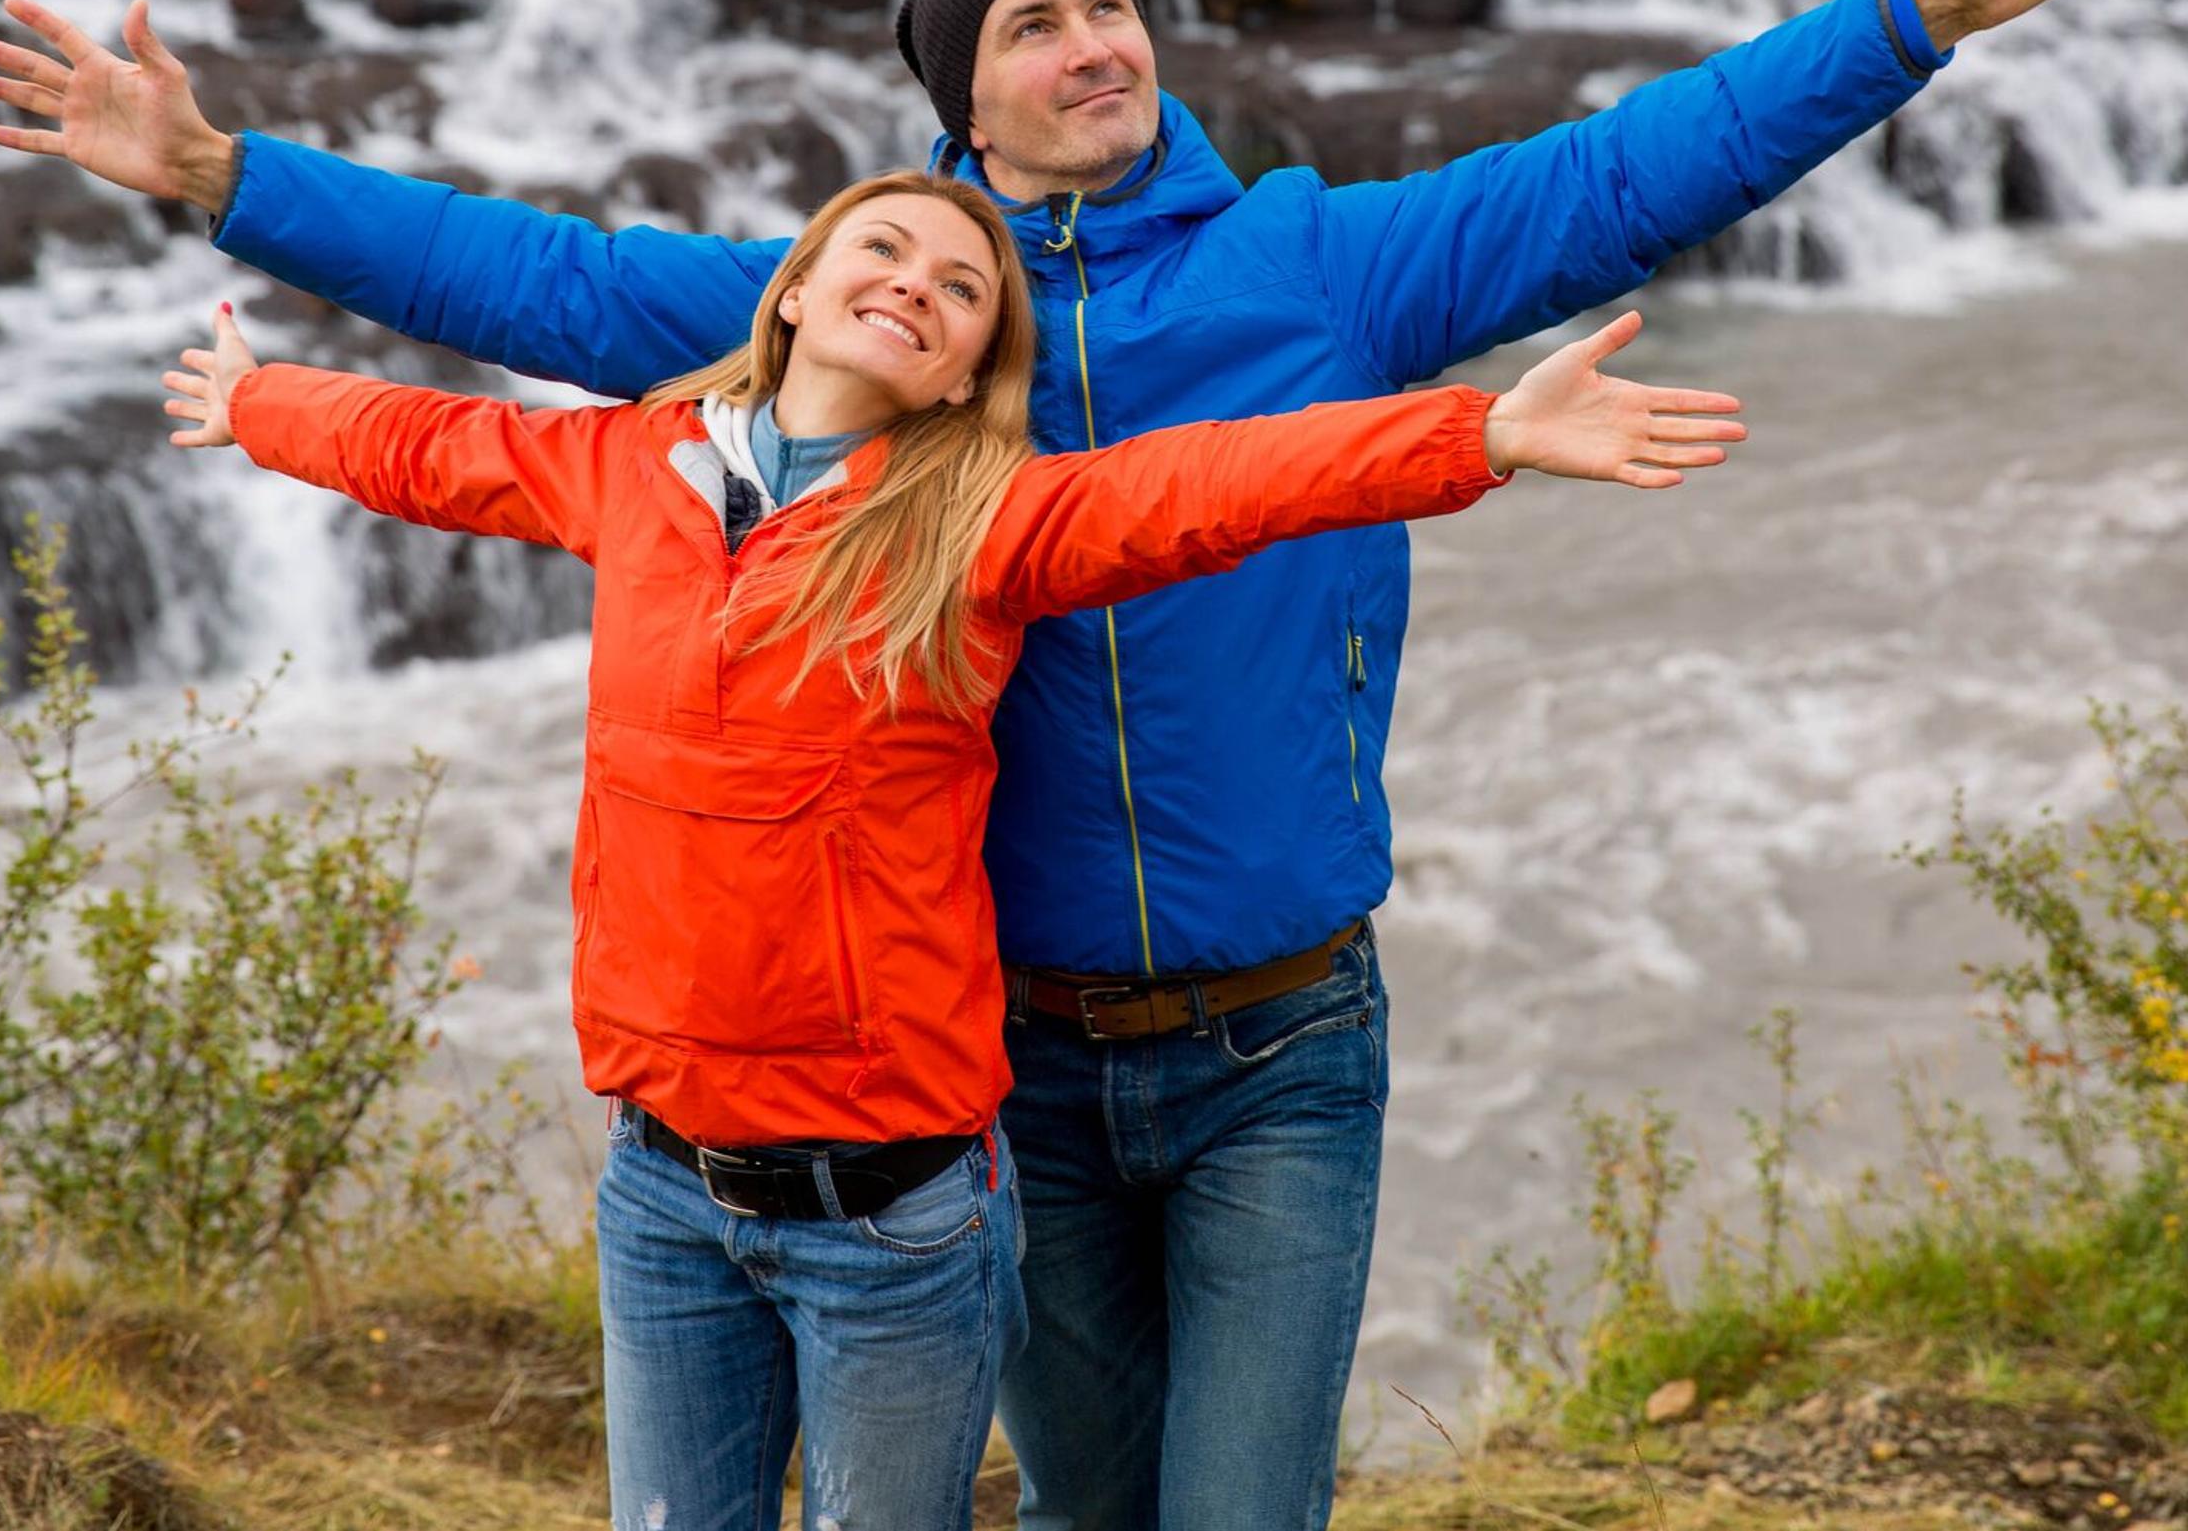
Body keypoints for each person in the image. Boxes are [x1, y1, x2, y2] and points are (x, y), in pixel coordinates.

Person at [0, 0, 2174, 1529]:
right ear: (956, 113)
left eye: (1111, 8)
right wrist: (218, 174)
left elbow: (1633, 165)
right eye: (1034, 27)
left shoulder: (1328, 262)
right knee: (1093, 1508)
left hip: (1279, 1038)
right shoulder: (876, 318)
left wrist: (1927, 13)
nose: (1093, 42)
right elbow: (532, 288)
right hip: (996, 1068)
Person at [159, 168, 1749, 1531]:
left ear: (964, 371)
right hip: (663, 1184)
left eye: (963, 289)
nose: (916, 287)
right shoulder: (632, 470)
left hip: (896, 1213)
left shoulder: (980, 525)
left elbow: (1216, 486)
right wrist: (255, 402)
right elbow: (430, 443)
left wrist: (1478, 435)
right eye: (882, 253)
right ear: (795, 289)